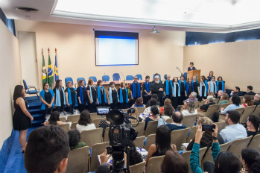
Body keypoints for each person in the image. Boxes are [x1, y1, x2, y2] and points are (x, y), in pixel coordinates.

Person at [13, 85, 33, 153]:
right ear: (20, 90)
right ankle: (23, 148)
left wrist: (24, 95)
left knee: (23, 132)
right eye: (23, 89)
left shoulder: (20, 98)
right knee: (22, 133)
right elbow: (24, 110)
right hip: (21, 116)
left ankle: (24, 144)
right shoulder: (20, 99)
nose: (24, 89)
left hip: (20, 116)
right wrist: (30, 117)